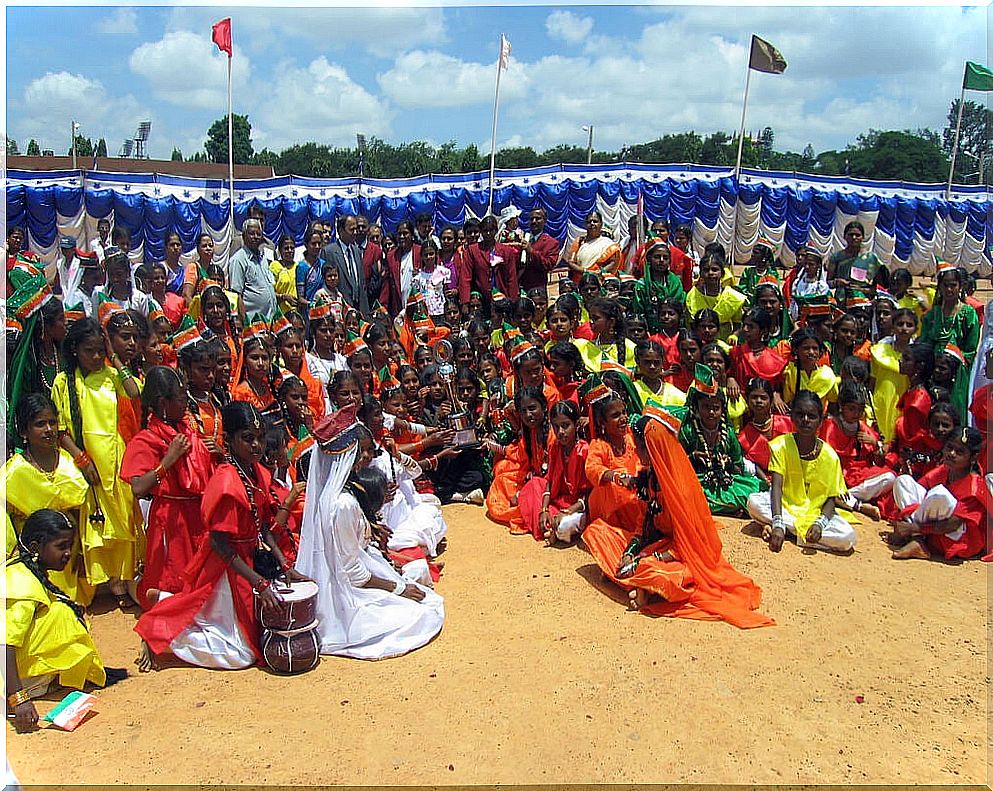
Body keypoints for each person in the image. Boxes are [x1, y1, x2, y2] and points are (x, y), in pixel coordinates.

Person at [135, 402, 304, 671]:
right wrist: (258, 582)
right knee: (241, 655)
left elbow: (263, 526)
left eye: (260, 439)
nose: (257, 446)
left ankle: (165, 601)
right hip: (225, 566)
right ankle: (165, 627)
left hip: (248, 562)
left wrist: (284, 564)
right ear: (228, 441)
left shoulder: (258, 471)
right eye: (247, 439)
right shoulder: (226, 482)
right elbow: (219, 543)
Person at [295, 407, 445, 659]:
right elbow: (353, 573)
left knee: (419, 579)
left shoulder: (340, 494)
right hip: (347, 593)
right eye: (361, 452)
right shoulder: (343, 503)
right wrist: (397, 589)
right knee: (423, 614)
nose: (367, 457)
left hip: (359, 574)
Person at [50, 314, 143, 610]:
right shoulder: (64, 381)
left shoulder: (110, 375)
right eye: (88, 350)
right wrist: (81, 457)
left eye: (98, 351)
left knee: (124, 521)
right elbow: (61, 428)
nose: (94, 356)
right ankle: (103, 583)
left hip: (116, 458)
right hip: (86, 461)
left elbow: (135, 391)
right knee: (96, 525)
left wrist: (113, 357)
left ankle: (124, 578)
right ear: (75, 349)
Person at [6, 510, 128, 731]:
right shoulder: (20, 583)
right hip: (9, 678)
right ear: (35, 547)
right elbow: (5, 644)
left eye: (70, 546)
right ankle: (27, 688)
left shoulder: (28, 572)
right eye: (61, 546)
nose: (68, 553)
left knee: (62, 611)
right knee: (59, 614)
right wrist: (19, 700)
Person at [121, 366, 215, 608]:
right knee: (172, 584)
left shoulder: (188, 431)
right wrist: (167, 461)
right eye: (181, 398)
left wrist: (218, 454)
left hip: (197, 516)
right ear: (163, 403)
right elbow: (138, 488)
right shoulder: (145, 440)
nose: (186, 403)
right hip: (171, 522)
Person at [5, 394, 92, 604]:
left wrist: (81, 551)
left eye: (52, 422)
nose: (49, 429)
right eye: (40, 424)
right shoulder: (13, 473)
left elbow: (82, 513)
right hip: (34, 559)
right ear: (24, 431)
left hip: (68, 554)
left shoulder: (68, 462)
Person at [747, 389, 858, 553]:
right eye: (800, 414)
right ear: (792, 417)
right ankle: (793, 532)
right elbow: (776, 487)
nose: (805, 420)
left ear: (820, 421)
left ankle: (791, 532)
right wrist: (778, 521)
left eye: (811, 416)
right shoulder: (781, 446)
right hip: (785, 508)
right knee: (753, 502)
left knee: (847, 537)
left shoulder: (830, 456)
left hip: (814, 513)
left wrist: (820, 524)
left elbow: (831, 499)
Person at [888, 428, 991, 561]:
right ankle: (917, 540)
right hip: (931, 528)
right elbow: (918, 491)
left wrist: (912, 527)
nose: (951, 454)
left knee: (940, 494)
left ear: (973, 457)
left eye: (959, 452)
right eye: (949, 448)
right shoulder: (944, 469)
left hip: (959, 539)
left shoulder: (975, 487)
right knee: (903, 481)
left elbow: (953, 525)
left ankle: (913, 535)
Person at [678, 364, 763, 516]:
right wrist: (693, 457)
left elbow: (738, 467)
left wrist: (727, 461)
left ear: (722, 409)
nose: (711, 412)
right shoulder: (688, 431)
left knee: (753, 490)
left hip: (725, 480)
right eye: (706, 407)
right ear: (696, 408)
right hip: (696, 480)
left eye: (715, 407)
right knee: (685, 496)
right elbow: (676, 466)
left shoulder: (728, 433)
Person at [920, 263, 980, 423]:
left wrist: (953, 361)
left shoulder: (968, 313)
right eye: (945, 285)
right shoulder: (932, 314)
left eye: (953, 285)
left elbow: (971, 348)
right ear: (939, 287)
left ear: (960, 286)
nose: (949, 290)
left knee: (954, 410)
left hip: (957, 371)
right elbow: (924, 343)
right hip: (934, 368)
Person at [870, 307, 916, 442]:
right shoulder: (879, 351)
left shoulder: (917, 354)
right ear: (893, 326)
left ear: (915, 329)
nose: (904, 328)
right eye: (900, 324)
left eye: (909, 325)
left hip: (904, 403)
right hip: (881, 401)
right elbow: (872, 380)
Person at [684, 253, 747, 342]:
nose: (710, 273)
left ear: (722, 273)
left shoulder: (732, 296)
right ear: (701, 273)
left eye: (714, 270)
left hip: (725, 342)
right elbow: (690, 325)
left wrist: (734, 335)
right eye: (706, 270)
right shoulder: (692, 296)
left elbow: (738, 323)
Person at [229, 219, 278, 321]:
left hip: (270, 320)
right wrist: (244, 323)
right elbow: (236, 295)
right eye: (251, 234)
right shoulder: (238, 260)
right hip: (253, 323)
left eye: (258, 234)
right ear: (243, 236)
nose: (255, 237)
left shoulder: (263, 258)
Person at [827, 220, 887, 303]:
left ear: (863, 238)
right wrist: (838, 282)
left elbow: (881, 287)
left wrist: (861, 290)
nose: (854, 237)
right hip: (842, 300)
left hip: (864, 301)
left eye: (857, 235)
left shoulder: (871, 258)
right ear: (845, 236)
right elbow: (828, 283)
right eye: (851, 235)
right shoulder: (836, 257)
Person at [566, 211, 622, 278]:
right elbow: (571, 263)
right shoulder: (579, 242)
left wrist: (599, 272)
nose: (592, 223)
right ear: (585, 225)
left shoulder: (608, 244)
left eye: (595, 221)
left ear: (601, 224)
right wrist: (586, 272)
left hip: (600, 281)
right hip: (581, 281)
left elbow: (613, 262)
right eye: (589, 222)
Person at [518, 207, 561, 292]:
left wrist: (531, 251)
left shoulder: (551, 243)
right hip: (519, 287)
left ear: (545, 221)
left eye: (538, 218)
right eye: (531, 219)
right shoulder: (522, 239)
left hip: (537, 289)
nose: (534, 221)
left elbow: (548, 265)